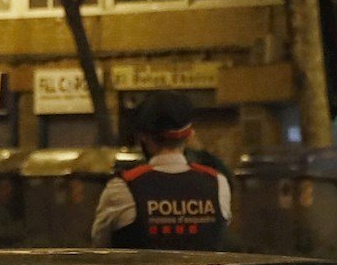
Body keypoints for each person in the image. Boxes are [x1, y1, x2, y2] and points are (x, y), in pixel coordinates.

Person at [90, 92, 232, 249]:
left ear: (143, 137)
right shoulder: (217, 183)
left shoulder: (122, 188)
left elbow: (100, 245)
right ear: (190, 136)